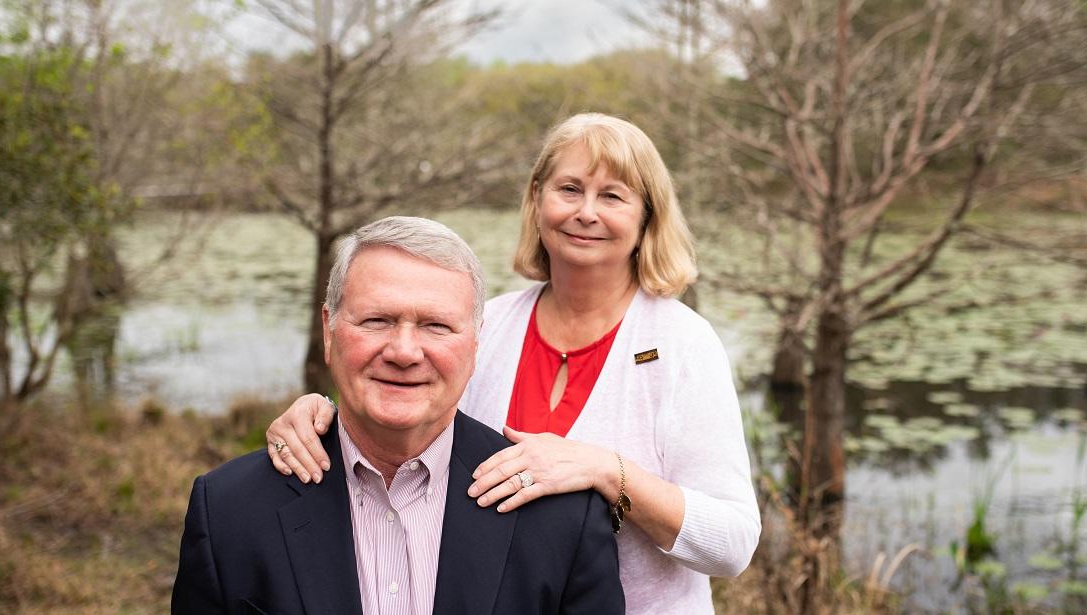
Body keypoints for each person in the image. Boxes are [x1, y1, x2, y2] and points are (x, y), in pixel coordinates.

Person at [266, 114, 761, 614]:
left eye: (613, 196)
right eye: (569, 188)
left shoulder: (684, 344)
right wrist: (320, 414)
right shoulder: (489, 324)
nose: (586, 212)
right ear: (537, 198)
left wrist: (608, 473)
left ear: (646, 217)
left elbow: (733, 544)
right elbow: (412, 413)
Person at [172, 217, 625, 615]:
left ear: (474, 343)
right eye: (376, 321)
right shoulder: (229, 511)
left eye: (435, 325)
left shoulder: (563, 516)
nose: (404, 352)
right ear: (329, 332)